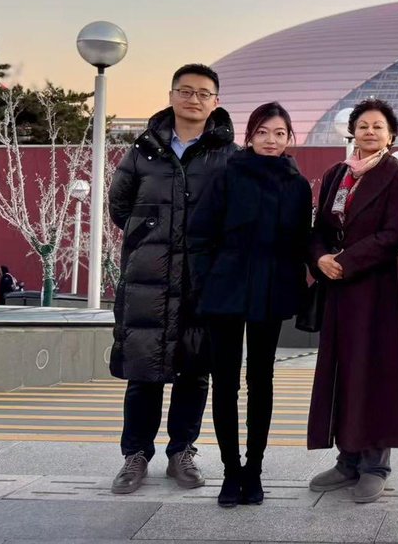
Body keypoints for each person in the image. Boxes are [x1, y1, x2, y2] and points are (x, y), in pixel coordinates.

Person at [107, 64, 238, 495]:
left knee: (195, 371)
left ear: (215, 102)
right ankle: (135, 455)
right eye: (186, 91)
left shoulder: (227, 155)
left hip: (202, 282)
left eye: (203, 93)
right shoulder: (143, 151)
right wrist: (150, 237)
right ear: (171, 95)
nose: (194, 99)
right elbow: (120, 206)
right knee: (142, 372)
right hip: (149, 279)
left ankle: (182, 451)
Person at [188, 103, 313, 507]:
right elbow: (200, 235)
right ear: (250, 135)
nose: (271, 141)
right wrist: (205, 284)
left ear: (289, 137)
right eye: (263, 132)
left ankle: (254, 471)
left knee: (262, 382)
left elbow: (299, 242)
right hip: (225, 291)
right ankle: (230, 472)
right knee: (224, 384)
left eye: (279, 133)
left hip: (270, 292)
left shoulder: (297, 183)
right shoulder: (227, 174)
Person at [307, 99, 398, 504]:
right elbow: (319, 227)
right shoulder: (338, 173)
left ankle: (375, 464)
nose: (370, 132)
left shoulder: (395, 174)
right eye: (364, 125)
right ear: (353, 131)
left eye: (379, 126)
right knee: (342, 370)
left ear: (391, 135)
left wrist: (346, 262)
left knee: (375, 371)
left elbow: (395, 233)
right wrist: (320, 259)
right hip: (338, 289)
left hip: (377, 290)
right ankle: (347, 459)